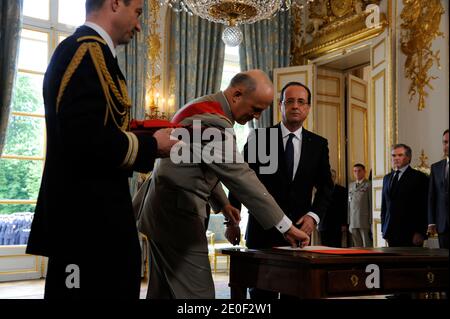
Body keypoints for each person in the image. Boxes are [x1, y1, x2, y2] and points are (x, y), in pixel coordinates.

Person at [25, 0, 177, 299]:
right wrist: (152, 145)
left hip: (94, 224)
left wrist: (141, 135)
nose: (138, 25)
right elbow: (84, 140)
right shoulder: (85, 51)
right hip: (86, 227)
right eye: (137, 13)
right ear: (115, 3)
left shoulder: (92, 52)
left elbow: (97, 129)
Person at [136, 70, 310, 299]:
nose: (257, 117)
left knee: (164, 294)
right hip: (177, 218)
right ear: (237, 94)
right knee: (200, 298)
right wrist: (286, 227)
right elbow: (241, 177)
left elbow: (196, 164)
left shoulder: (201, 106)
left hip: (159, 212)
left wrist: (223, 204)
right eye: (256, 109)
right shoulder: (214, 124)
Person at [229, 81, 333, 299]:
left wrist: (314, 217)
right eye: (290, 101)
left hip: (299, 235)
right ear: (281, 105)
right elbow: (240, 182)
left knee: (296, 294)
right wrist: (233, 222)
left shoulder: (319, 144)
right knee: (261, 295)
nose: (296, 106)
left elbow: (326, 187)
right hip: (262, 233)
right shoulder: (259, 139)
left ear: (308, 108)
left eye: (301, 102)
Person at [381, 144, 429, 247]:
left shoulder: (419, 177)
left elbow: (423, 207)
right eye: (393, 156)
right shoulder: (387, 178)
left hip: (411, 233)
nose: (396, 158)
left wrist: (420, 232)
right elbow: (384, 206)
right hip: (390, 232)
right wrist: (383, 229)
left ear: (408, 157)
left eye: (400, 155)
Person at [427, 129, 449, 248]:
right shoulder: (436, 167)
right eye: (445, 142)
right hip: (443, 225)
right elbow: (432, 196)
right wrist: (431, 221)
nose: (447, 145)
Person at [319, 169, 348, 247]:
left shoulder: (342, 190)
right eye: (329, 176)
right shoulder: (321, 189)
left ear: (335, 177)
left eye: (333, 176)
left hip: (337, 225)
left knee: (336, 246)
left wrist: (344, 224)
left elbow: (344, 208)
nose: (331, 178)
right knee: (324, 247)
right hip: (323, 224)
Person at [348, 163, 373, 247]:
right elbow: (349, 205)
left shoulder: (369, 184)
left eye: (359, 171)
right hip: (353, 220)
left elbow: (371, 204)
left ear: (364, 172)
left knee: (367, 244)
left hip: (364, 220)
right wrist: (348, 221)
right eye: (355, 171)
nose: (357, 173)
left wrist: (371, 220)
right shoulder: (351, 185)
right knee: (357, 246)